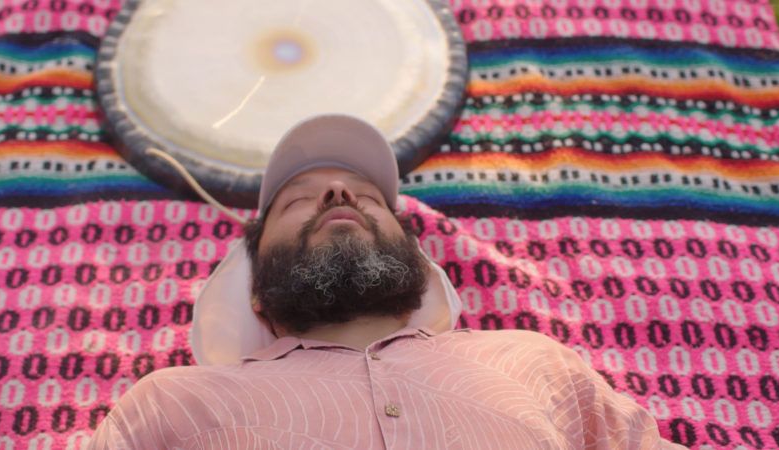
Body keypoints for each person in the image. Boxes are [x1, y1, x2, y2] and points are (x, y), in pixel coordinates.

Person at [89, 114, 686, 449]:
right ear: (257, 294)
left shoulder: (535, 362)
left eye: (368, 198)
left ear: (417, 263)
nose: (338, 193)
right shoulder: (173, 403)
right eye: (298, 201)